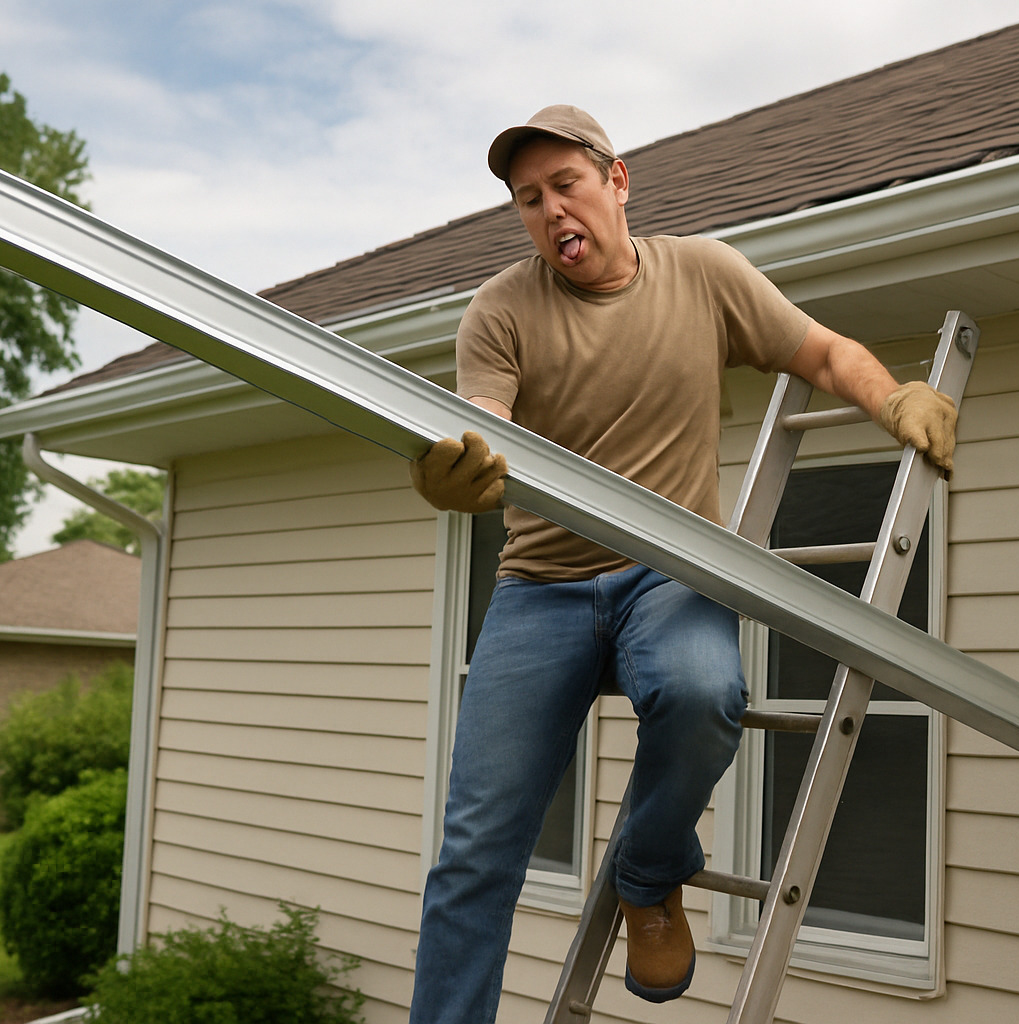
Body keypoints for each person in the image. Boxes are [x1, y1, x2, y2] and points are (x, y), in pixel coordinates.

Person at [406, 105, 956, 1023]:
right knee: (474, 851)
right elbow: (485, 425)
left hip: (666, 573)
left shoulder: (702, 274)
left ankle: (651, 874)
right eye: (528, 200)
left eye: (565, 185)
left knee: (705, 694)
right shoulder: (500, 310)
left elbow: (819, 349)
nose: (549, 212)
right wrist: (459, 472)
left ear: (617, 181)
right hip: (538, 588)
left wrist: (892, 396)